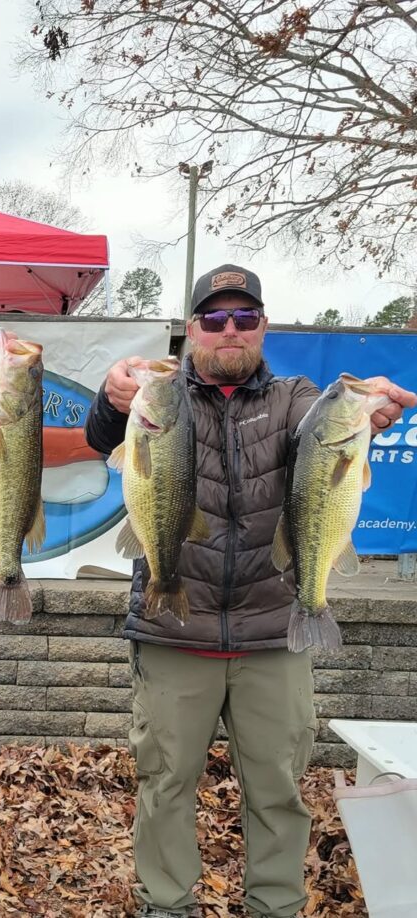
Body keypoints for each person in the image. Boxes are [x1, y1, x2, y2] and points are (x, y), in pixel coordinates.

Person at [84, 264, 417, 918]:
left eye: (244, 317)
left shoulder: (295, 397)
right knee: (166, 788)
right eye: (214, 318)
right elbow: (103, 435)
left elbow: (325, 434)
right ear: (191, 330)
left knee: (277, 794)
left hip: (275, 635)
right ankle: (167, 907)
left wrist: (362, 415)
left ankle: (276, 908)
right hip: (173, 631)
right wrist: (110, 395)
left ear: (262, 327)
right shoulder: (162, 394)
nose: (229, 330)